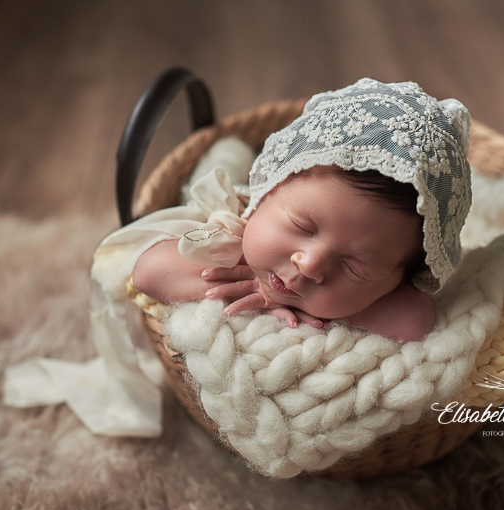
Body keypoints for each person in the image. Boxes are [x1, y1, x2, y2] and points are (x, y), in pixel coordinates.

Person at [129, 78, 472, 342]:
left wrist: (305, 305)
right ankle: (229, 152)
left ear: (397, 282)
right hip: (231, 190)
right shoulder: (226, 237)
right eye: (302, 226)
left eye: (355, 267)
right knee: (224, 156)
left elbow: (416, 319)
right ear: (270, 189)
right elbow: (148, 270)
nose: (308, 265)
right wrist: (253, 282)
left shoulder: (384, 279)